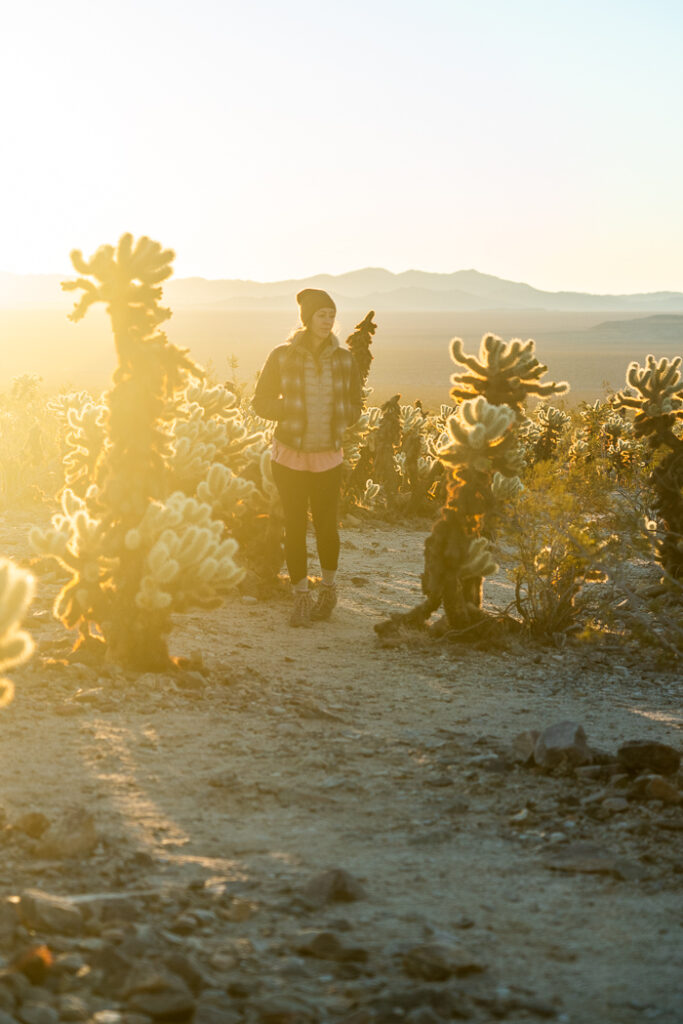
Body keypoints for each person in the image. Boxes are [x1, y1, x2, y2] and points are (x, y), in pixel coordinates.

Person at [252, 289, 362, 626]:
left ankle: (328, 590)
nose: (328, 321)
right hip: (289, 456)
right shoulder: (282, 356)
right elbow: (260, 401)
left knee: (328, 527)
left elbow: (357, 405)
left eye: (331, 315)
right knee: (295, 527)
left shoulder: (345, 359)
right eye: (321, 315)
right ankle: (301, 596)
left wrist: (341, 415)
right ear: (307, 319)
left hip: (328, 456)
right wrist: (288, 409)